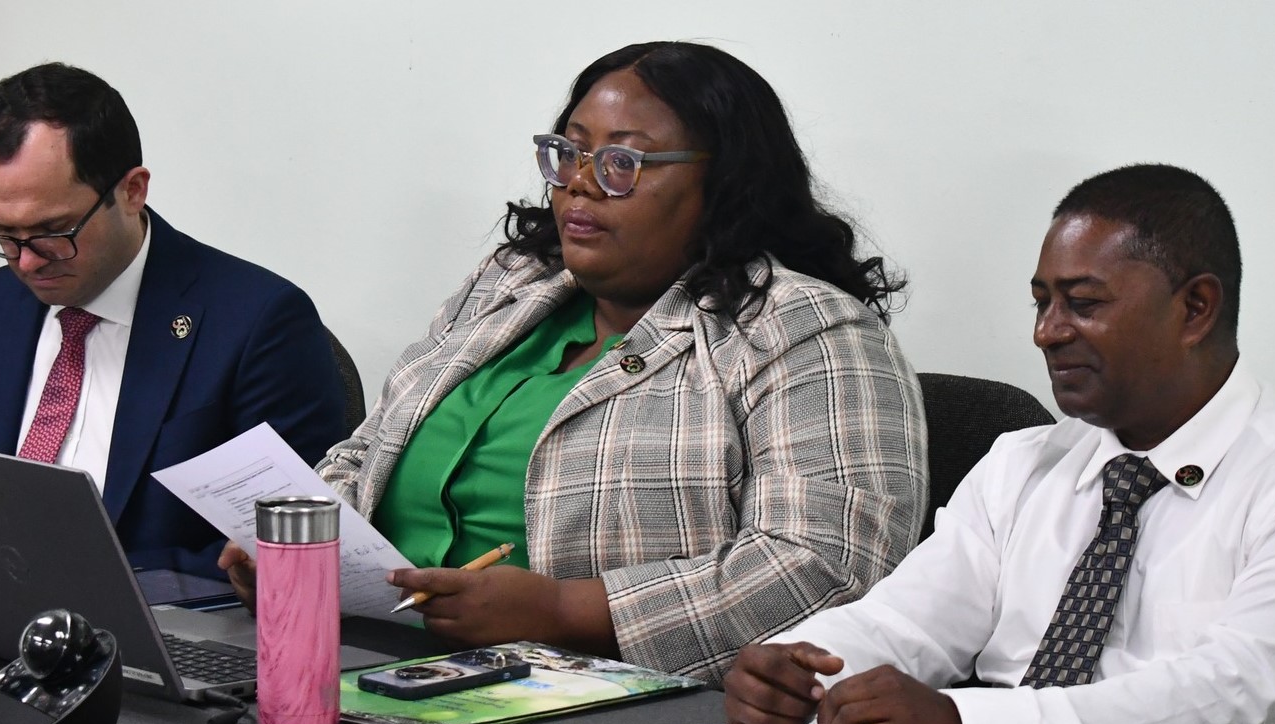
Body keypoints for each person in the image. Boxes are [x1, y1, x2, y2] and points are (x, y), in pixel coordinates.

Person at [226, 41, 927, 685]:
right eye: (569, 154)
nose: (579, 185)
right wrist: (301, 549)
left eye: (622, 164)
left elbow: (826, 569)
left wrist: (567, 611)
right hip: (371, 657)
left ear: (725, 185)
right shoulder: (510, 284)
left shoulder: (806, 331)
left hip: (601, 697)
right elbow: (366, 449)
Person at [722, 164, 1275, 724]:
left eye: (1082, 303)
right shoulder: (1021, 462)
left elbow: (1226, 702)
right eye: (1040, 303)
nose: (1047, 333)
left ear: (1195, 308)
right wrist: (803, 669)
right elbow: (907, 622)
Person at [0, 63, 345, 584]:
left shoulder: (256, 322)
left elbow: (284, 553)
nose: (26, 262)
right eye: (3, 232)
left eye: (51, 230)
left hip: (155, 631)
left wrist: (75, 580)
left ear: (132, 191)